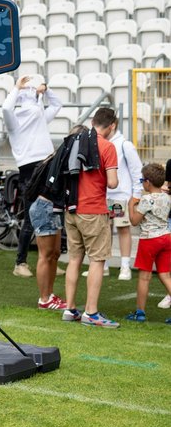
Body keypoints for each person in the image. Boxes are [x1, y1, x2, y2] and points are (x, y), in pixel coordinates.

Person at [61, 109, 120, 328]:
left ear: (93, 121)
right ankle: (91, 312)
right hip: (94, 210)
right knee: (97, 260)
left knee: (74, 259)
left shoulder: (74, 140)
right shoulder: (107, 146)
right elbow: (113, 183)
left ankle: (70, 308)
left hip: (71, 208)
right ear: (111, 125)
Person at [1, 75, 62, 278]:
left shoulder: (39, 116)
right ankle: (20, 263)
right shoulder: (15, 120)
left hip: (47, 166)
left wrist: (46, 89)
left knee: (52, 214)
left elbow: (57, 104)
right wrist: (17, 88)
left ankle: (51, 258)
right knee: (30, 218)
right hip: (29, 171)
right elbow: (6, 108)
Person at [25, 126, 86, 311]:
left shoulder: (59, 155)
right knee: (46, 255)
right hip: (45, 207)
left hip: (51, 208)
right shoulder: (62, 157)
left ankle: (49, 295)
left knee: (55, 254)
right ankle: (44, 298)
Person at [124, 163, 171, 322]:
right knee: (165, 276)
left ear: (148, 182)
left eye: (142, 180)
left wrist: (131, 205)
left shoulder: (146, 199)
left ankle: (140, 313)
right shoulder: (167, 197)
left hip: (150, 240)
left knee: (144, 277)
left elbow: (135, 221)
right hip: (166, 238)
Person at [103, 120, 143, 280]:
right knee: (103, 230)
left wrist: (136, 195)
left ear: (111, 125)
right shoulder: (102, 143)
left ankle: (125, 267)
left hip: (119, 196)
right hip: (103, 195)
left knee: (122, 229)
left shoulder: (124, 144)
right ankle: (103, 265)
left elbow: (136, 171)